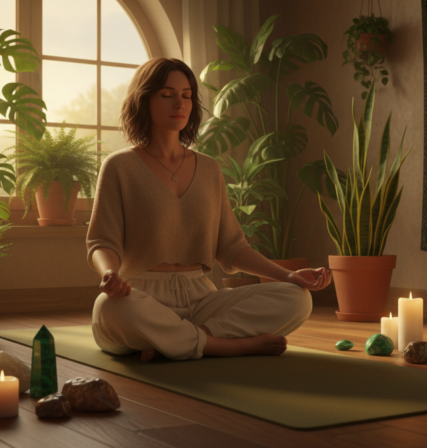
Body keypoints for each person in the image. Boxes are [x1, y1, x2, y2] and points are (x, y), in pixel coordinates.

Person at [87, 58, 332, 362]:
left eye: (187, 95)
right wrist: (110, 274)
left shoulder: (209, 169)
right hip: (141, 294)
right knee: (108, 307)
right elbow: (102, 241)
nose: (179, 103)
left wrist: (289, 275)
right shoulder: (119, 166)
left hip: (201, 299)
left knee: (297, 299)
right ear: (143, 100)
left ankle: (178, 340)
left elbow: (232, 248)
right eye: (167, 94)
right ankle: (222, 345)